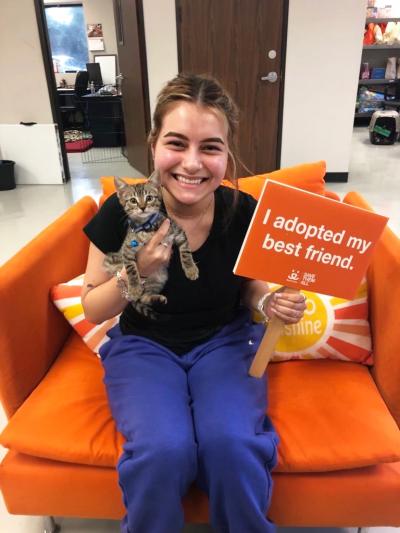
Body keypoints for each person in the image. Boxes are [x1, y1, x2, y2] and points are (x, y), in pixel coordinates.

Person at [82, 73, 306, 533]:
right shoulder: (121, 211)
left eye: (210, 147)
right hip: (144, 345)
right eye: (177, 143)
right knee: (164, 450)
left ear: (227, 153)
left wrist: (271, 303)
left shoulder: (241, 211)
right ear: (153, 144)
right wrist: (135, 273)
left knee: (232, 445)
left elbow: (250, 290)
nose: (191, 163)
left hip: (226, 342)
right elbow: (91, 308)